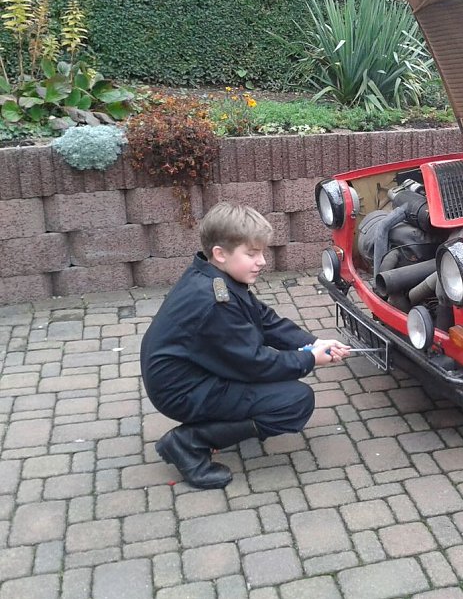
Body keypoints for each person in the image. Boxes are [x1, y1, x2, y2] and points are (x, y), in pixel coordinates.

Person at [140, 202, 349, 489]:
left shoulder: (213, 276)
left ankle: (217, 427)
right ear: (220, 254)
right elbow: (255, 364)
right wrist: (309, 360)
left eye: (261, 252)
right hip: (182, 392)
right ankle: (188, 443)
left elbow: (265, 319)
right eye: (251, 254)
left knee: (279, 389)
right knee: (295, 402)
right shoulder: (216, 302)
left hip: (191, 375)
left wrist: (312, 343)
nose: (262, 261)